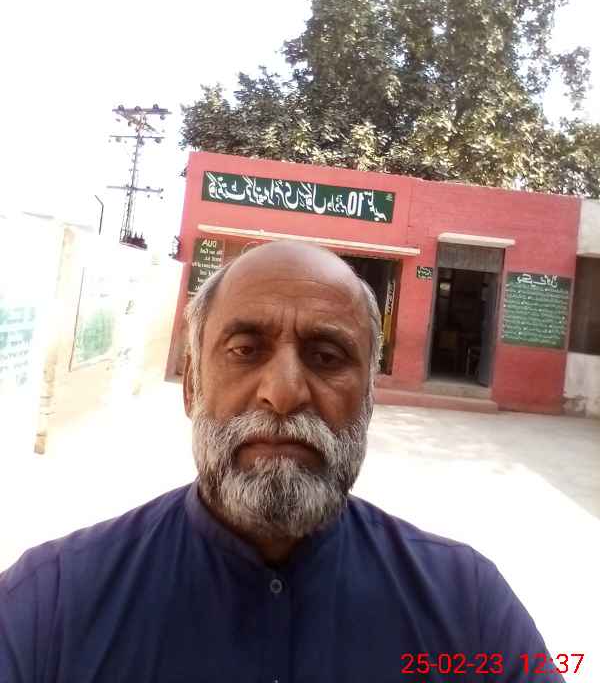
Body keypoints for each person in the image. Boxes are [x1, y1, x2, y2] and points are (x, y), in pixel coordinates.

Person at [0, 240, 564, 682]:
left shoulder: (468, 608)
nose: (285, 392)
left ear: (369, 399)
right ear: (192, 386)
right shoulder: (49, 606)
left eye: (327, 356)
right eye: (245, 351)